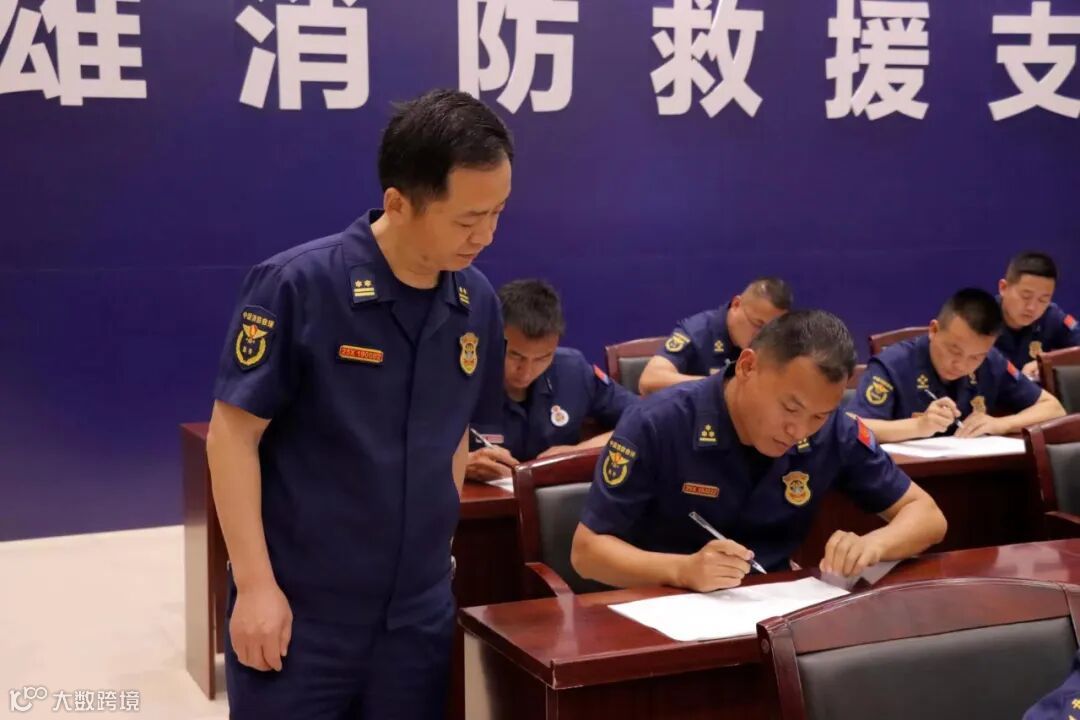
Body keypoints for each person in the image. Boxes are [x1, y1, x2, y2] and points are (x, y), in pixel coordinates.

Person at [206, 89, 512, 719]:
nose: (485, 236)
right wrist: (256, 586)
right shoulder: (298, 286)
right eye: (466, 220)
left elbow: (454, 433)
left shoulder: (477, 303)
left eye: (498, 213)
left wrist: (436, 551)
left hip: (417, 618)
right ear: (399, 203)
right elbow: (232, 436)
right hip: (302, 612)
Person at [570, 310, 947, 591]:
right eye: (790, 408)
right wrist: (681, 570)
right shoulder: (658, 422)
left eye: (818, 416)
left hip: (772, 611)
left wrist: (872, 544)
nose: (798, 430)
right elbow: (587, 553)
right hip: (660, 606)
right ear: (748, 367)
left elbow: (928, 515)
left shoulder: (834, 432)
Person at [466, 279, 637, 481]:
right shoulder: (462, 375)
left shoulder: (573, 371)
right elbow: (430, 447)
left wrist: (577, 453)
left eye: (542, 358)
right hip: (480, 497)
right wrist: (463, 462)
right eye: (515, 355)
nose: (526, 372)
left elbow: (644, 421)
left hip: (557, 496)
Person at [850, 288, 1065, 443]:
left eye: (975, 357)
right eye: (954, 351)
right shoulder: (893, 363)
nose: (961, 365)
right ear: (934, 330)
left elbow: (1054, 408)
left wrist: (1001, 424)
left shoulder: (991, 362)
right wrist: (917, 426)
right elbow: (851, 426)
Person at [638, 277, 793, 396]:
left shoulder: (774, 341)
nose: (762, 336)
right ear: (736, 304)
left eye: (770, 329)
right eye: (757, 324)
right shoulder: (697, 331)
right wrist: (720, 384)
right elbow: (649, 381)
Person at [995, 251, 1079, 380]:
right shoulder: (979, 320)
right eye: (1026, 296)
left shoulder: (1051, 317)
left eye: (1043, 300)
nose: (1032, 307)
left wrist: (1048, 363)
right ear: (1003, 288)